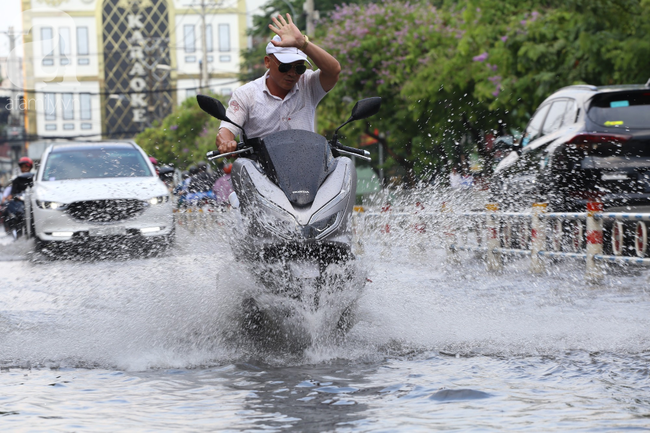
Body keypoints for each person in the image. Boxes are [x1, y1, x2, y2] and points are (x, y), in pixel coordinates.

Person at [215, 13, 341, 154]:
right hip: (259, 171)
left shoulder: (308, 83)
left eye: (299, 68)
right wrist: (227, 143)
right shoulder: (246, 94)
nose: (292, 73)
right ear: (267, 62)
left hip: (306, 169)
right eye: (285, 66)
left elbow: (334, 71)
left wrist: (303, 44)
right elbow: (226, 130)